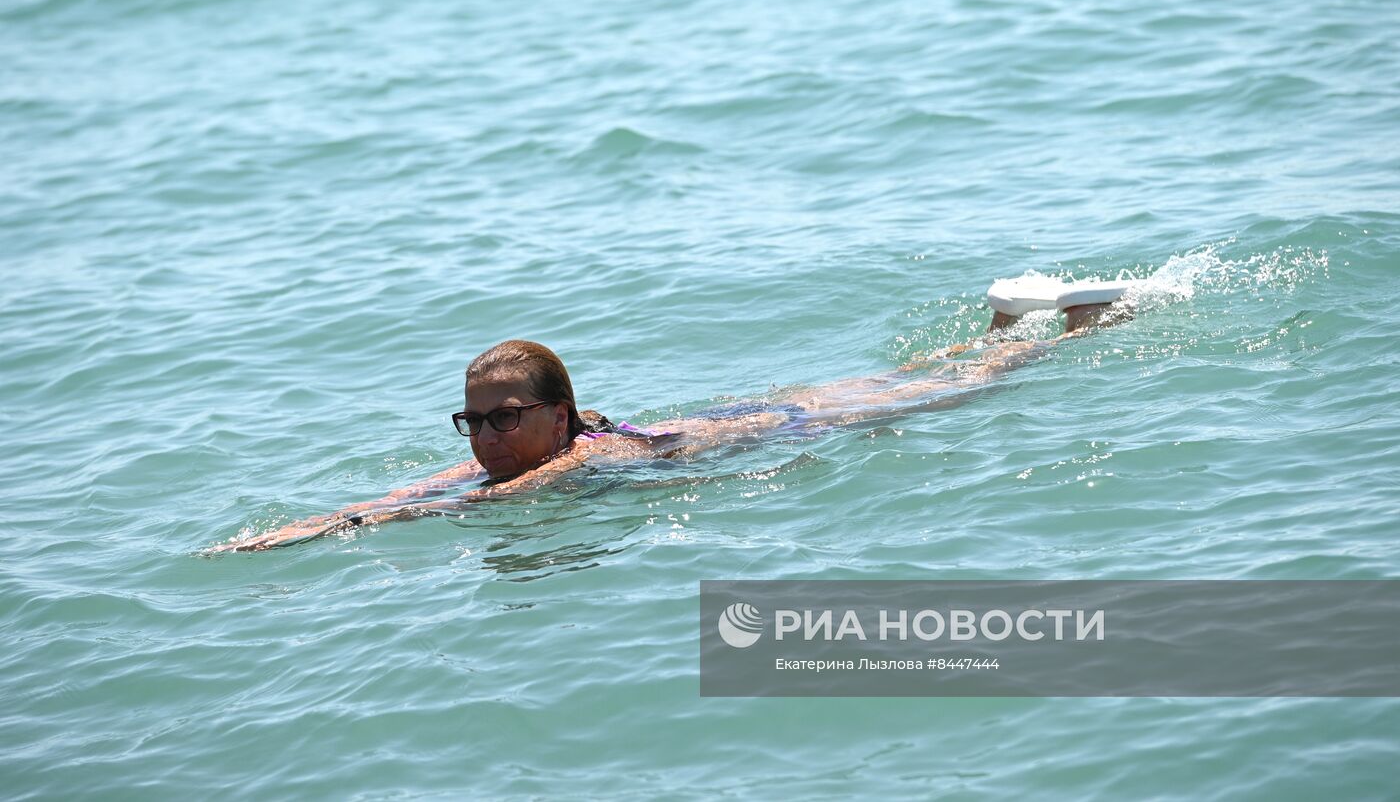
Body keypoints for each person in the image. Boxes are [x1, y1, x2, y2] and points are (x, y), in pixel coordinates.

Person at [212, 301, 1122, 552]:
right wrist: (329, 517)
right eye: (474, 421)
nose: (486, 440)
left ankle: (1073, 331)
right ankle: (1006, 324)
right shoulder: (527, 453)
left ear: (560, 416)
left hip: (771, 431)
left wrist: (375, 523)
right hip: (728, 421)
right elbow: (438, 486)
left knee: (937, 395)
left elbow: (494, 497)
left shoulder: (562, 464)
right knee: (900, 382)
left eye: (506, 418)